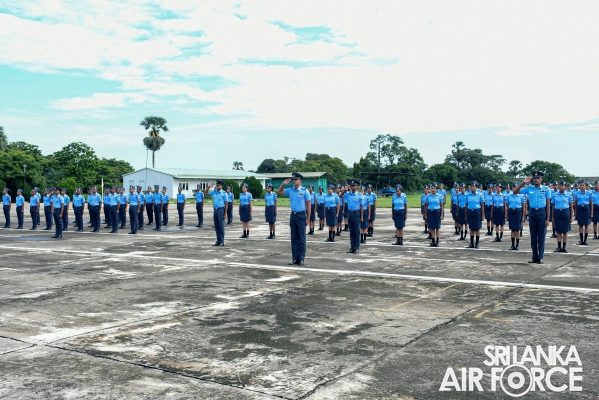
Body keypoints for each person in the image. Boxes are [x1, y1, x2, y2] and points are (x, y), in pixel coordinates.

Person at [513, 172, 551, 264]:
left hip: (542, 212)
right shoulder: (529, 188)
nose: (536, 180)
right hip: (532, 212)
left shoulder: (546, 189)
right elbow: (515, 192)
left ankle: (540, 257)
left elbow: (548, 204)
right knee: (533, 236)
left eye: (538, 178)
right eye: (535, 178)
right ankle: (534, 256)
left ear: (541, 179)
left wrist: (547, 218)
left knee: (541, 236)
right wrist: (523, 182)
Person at [278, 173, 311, 264]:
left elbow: (308, 205)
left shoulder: (305, 191)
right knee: (294, 238)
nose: (294, 181)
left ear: (300, 180)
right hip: (293, 215)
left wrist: (308, 218)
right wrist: (284, 183)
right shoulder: (290, 190)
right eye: (293, 179)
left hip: (301, 215)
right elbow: (279, 191)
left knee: (302, 238)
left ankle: (301, 258)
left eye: (296, 179)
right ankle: (294, 258)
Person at [339, 180, 364, 254]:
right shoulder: (348, 194)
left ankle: (357, 247)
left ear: (357, 187)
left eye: (354, 185)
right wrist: (344, 190)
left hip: (356, 213)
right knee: (351, 232)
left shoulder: (359, 195)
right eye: (351, 185)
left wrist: (361, 217)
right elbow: (340, 196)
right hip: (350, 213)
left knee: (357, 232)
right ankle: (352, 247)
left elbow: (362, 207)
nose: (352, 187)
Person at [552, 181, 573, 253]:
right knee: (558, 231)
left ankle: (564, 247)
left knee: (565, 231)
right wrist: (553, 217)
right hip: (557, 212)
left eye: (563, 185)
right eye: (560, 185)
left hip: (565, 212)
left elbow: (571, 206)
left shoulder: (569, 195)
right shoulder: (555, 195)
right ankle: (558, 247)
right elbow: (553, 206)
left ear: (565, 187)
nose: (561, 187)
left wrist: (571, 217)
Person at [205, 180, 227, 246]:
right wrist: (209, 187)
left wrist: (225, 214)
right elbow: (205, 193)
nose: (217, 186)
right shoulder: (214, 192)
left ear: (221, 186)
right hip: (215, 210)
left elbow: (226, 204)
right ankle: (218, 240)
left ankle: (222, 241)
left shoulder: (224, 193)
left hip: (221, 210)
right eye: (217, 185)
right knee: (216, 226)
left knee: (221, 226)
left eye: (218, 185)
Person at [505, 183, 525, 251]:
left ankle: (517, 245)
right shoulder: (509, 196)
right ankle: (513, 245)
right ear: (512, 188)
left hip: (518, 212)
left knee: (517, 229)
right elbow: (507, 205)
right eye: (514, 187)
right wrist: (506, 214)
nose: (515, 188)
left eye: (516, 187)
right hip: (511, 212)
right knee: (512, 229)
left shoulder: (521, 196)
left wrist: (523, 216)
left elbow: (523, 206)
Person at [465, 181, 484, 249]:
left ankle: (477, 243)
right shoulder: (468, 195)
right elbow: (466, 205)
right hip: (470, 211)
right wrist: (466, 215)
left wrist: (482, 215)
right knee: (471, 228)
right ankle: (471, 243)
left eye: (473, 186)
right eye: (471, 186)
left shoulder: (480, 195)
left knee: (477, 228)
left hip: (477, 212)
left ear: (476, 187)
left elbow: (482, 206)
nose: (472, 188)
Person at [574, 180, 592, 245]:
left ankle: (585, 240)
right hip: (579, 209)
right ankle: (581, 240)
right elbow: (575, 203)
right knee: (580, 225)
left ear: (586, 186)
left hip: (586, 209)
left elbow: (591, 203)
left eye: (583, 185)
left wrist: (591, 212)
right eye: (581, 185)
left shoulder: (589, 193)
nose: (582, 186)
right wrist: (575, 212)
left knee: (586, 225)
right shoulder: (577, 193)